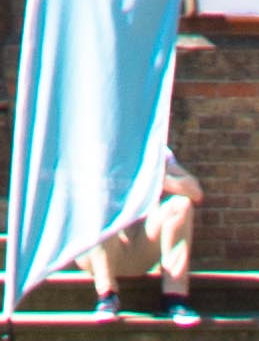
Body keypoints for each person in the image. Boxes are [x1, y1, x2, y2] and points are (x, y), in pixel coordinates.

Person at [78, 138, 202, 326]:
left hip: (140, 246)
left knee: (180, 204)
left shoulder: (154, 148)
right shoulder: (92, 143)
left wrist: (155, 178)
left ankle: (175, 298)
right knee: (98, 209)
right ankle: (106, 296)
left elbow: (195, 192)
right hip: (96, 251)